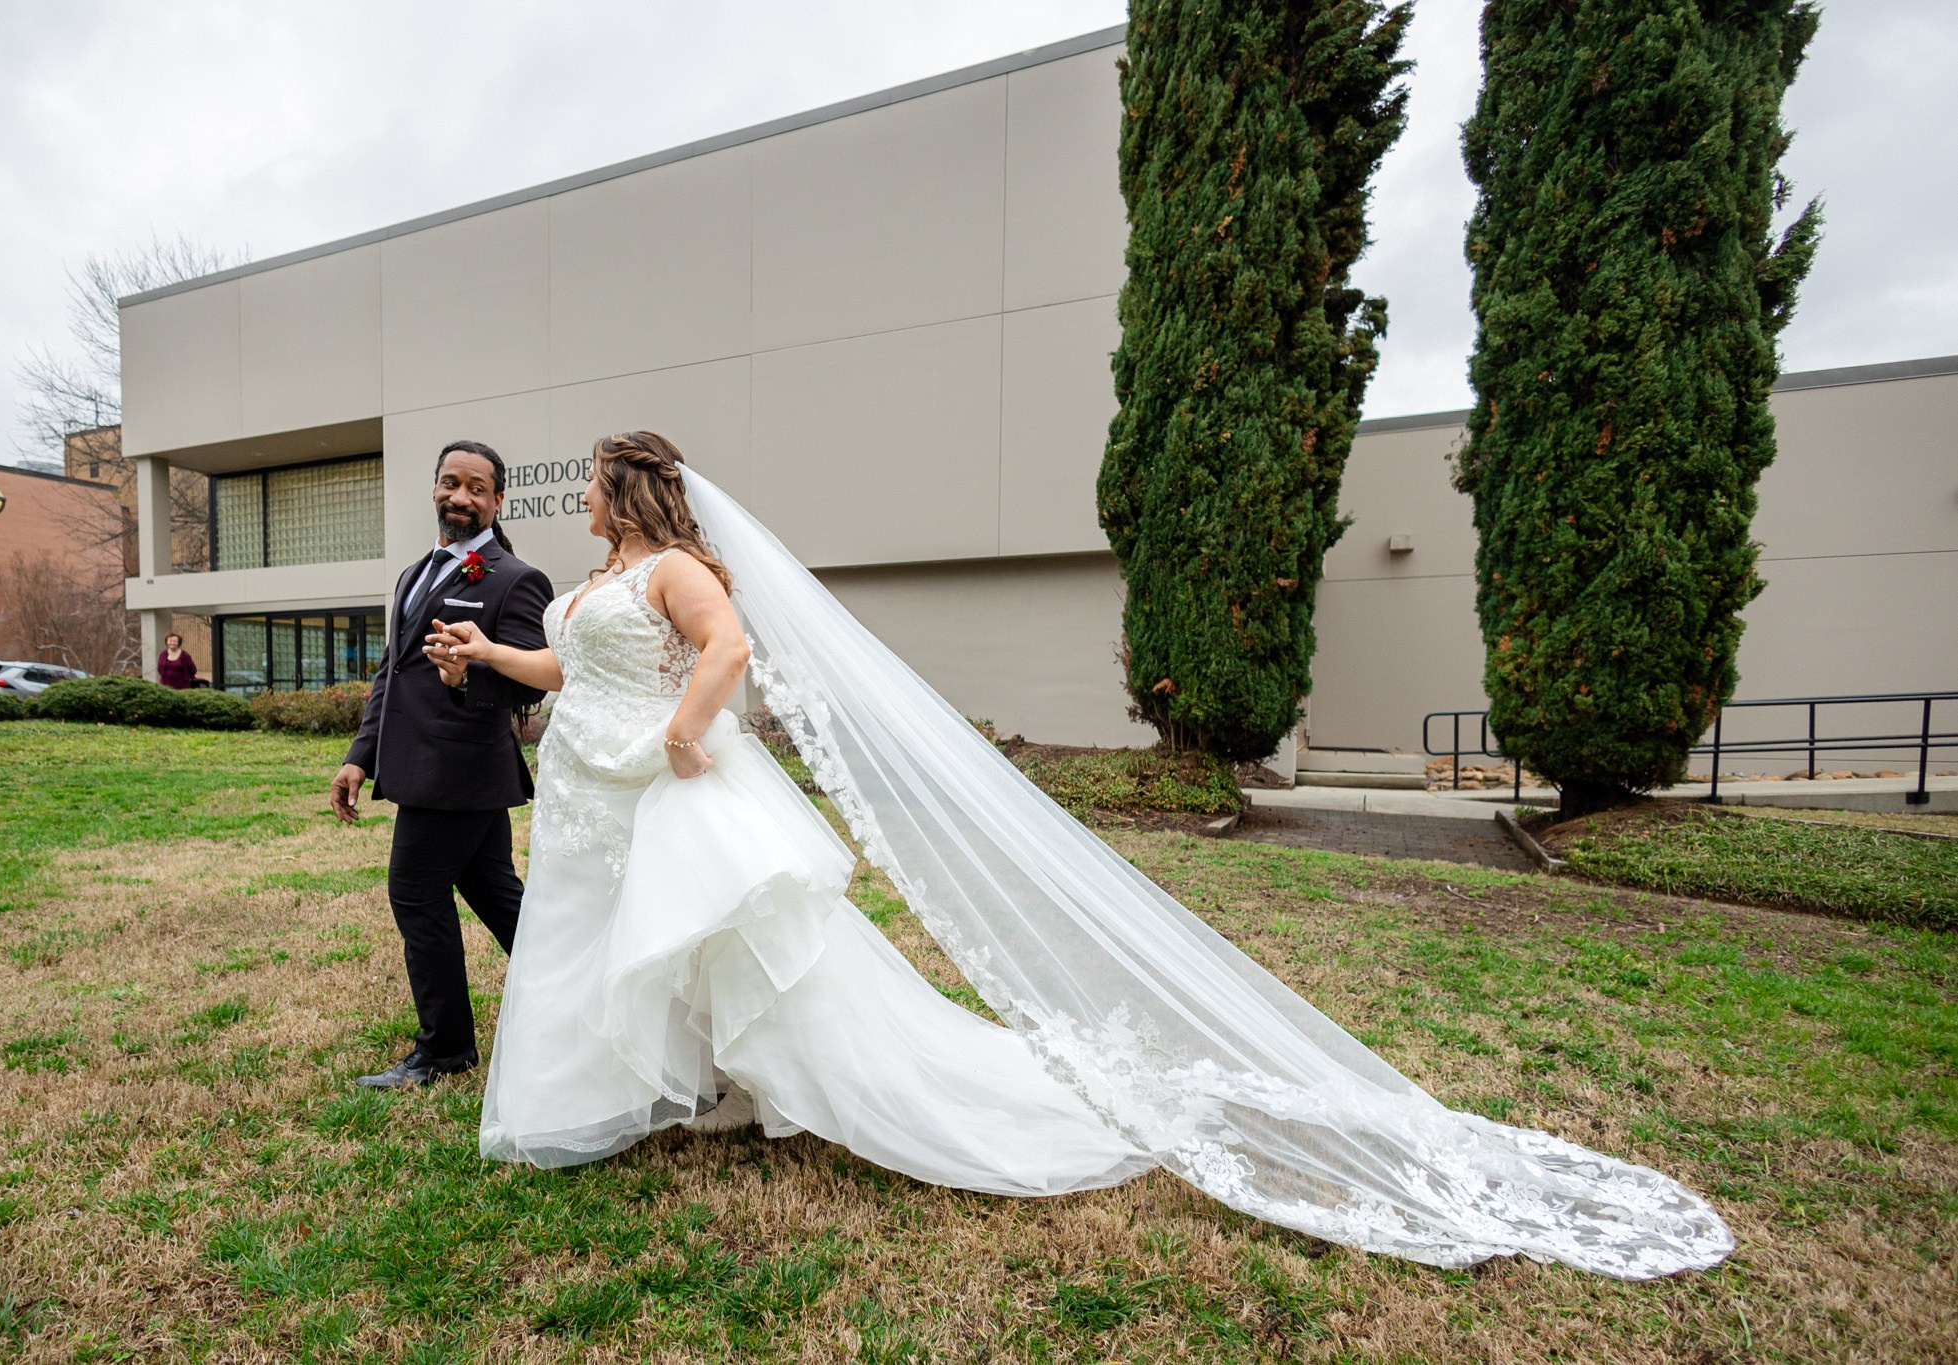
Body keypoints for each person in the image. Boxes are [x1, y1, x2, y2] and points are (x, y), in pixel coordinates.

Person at [430, 431, 1733, 1280]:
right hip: (595, 797)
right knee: (618, 945)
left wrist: (684, 736)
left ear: (629, 489)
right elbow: (568, 670)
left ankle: (810, 1087)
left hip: (667, 789)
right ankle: (683, 1092)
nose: (576, 495)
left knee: (739, 946)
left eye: (589, 480)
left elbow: (725, 654)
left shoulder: (675, 569)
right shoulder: (593, 585)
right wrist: (491, 655)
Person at [331, 439, 554, 1090]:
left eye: (477, 488)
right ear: (434, 488)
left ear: (497, 501)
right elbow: (392, 673)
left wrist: (465, 678)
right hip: (423, 769)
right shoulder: (412, 574)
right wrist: (360, 756)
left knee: (416, 894)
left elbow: (530, 682)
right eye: (451, 483)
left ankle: (446, 1049)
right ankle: (586, 996)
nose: (461, 496)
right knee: (500, 898)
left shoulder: (515, 579)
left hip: (460, 772)